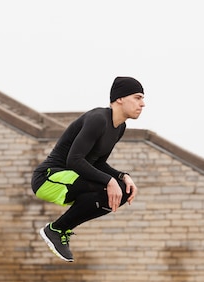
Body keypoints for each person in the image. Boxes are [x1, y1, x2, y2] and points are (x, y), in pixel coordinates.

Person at [31, 76, 144, 262]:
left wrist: (122, 176)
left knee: (123, 191)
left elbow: (97, 163)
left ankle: (59, 229)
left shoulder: (119, 127)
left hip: (71, 180)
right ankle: (56, 229)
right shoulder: (98, 119)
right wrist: (109, 180)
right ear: (120, 98)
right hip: (48, 178)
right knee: (108, 186)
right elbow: (74, 160)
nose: (143, 104)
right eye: (137, 98)